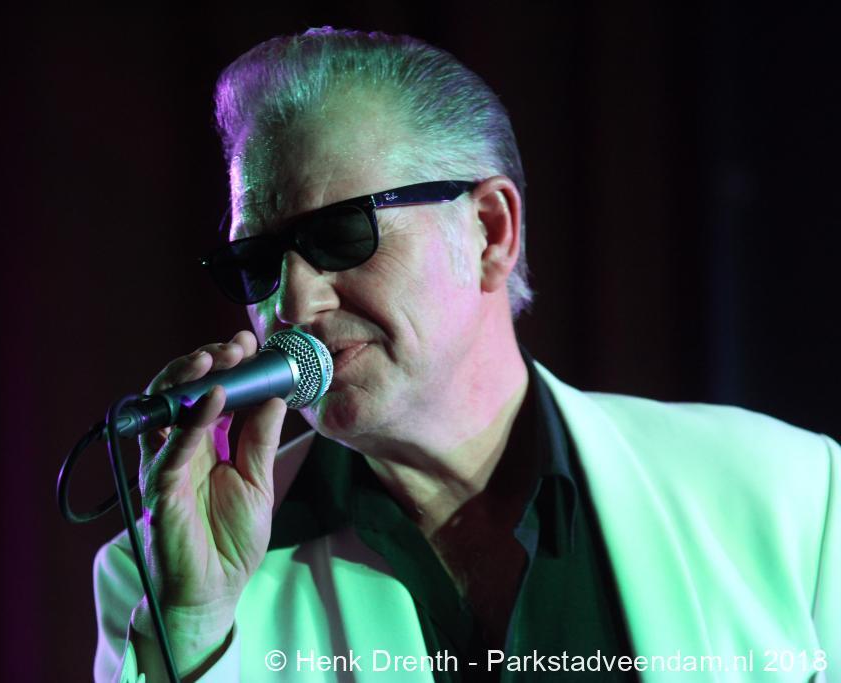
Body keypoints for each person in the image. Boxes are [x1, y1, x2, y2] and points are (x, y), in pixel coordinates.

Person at [92, 28, 839, 682]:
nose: (293, 303)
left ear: (489, 230)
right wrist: (189, 629)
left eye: (341, 234)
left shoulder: (795, 495)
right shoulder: (165, 572)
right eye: (257, 263)